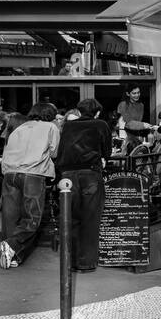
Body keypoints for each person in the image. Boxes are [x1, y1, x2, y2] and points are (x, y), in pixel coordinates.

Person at [0, 103, 60, 270]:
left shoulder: (19, 127)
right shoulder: (50, 127)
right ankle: (12, 245)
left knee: (10, 217)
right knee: (32, 217)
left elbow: (6, 151)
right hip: (33, 174)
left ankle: (13, 255)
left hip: (10, 174)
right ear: (50, 115)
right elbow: (54, 152)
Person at [57, 98, 114, 274]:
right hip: (90, 174)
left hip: (68, 176)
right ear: (97, 112)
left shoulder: (67, 126)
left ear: (79, 111)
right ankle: (86, 262)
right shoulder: (100, 124)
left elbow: (62, 150)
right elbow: (107, 151)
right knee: (90, 218)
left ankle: (71, 261)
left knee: (71, 217)